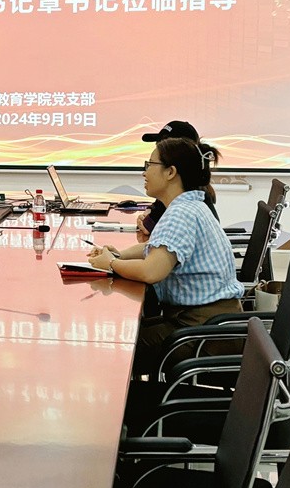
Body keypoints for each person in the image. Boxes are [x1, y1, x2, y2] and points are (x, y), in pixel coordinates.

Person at [87, 137, 244, 376]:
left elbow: (151, 271)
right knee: (126, 335)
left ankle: (133, 399)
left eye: (149, 164)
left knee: (116, 348)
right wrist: (119, 254)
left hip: (203, 335)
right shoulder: (189, 206)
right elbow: (157, 248)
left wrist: (111, 263)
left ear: (170, 172)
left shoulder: (181, 214)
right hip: (208, 325)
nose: (144, 172)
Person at [136, 120, 219, 237]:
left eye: (152, 163)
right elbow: (152, 224)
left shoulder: (183, 212)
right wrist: (148, 213)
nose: (145, 173)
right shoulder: (191, 197)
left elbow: (154, 232)